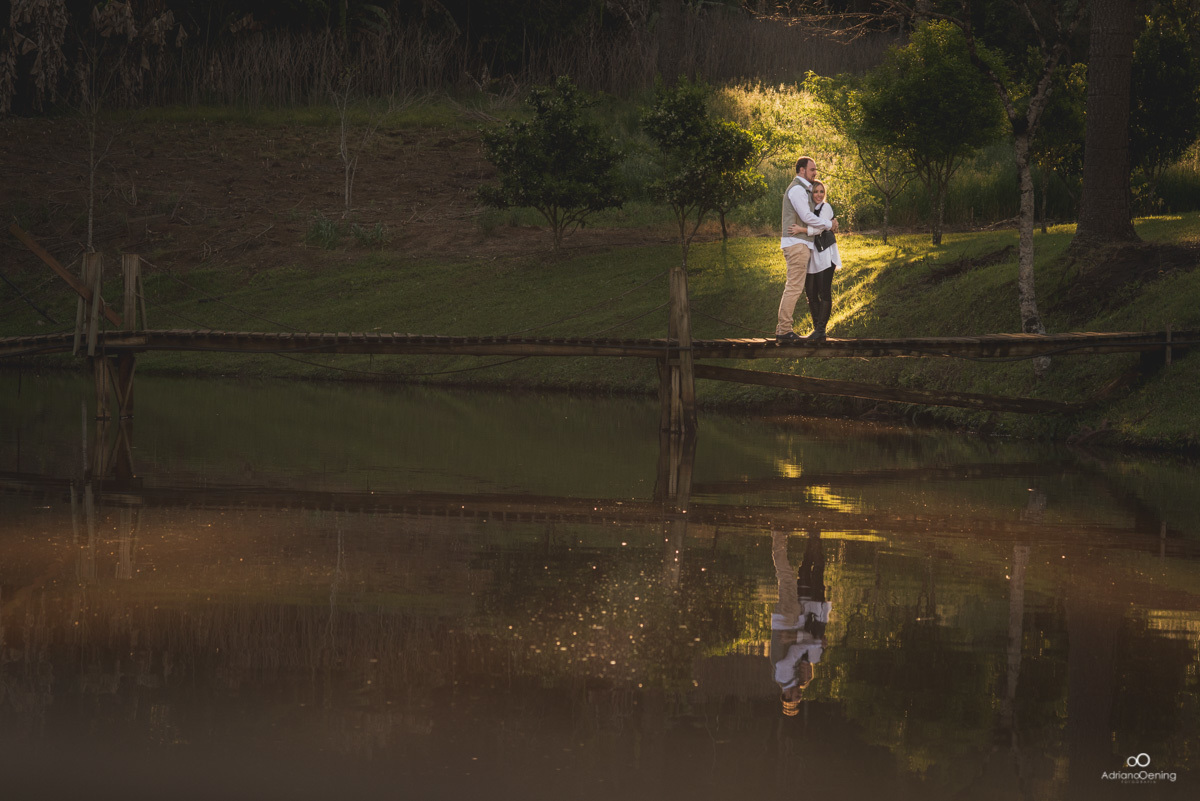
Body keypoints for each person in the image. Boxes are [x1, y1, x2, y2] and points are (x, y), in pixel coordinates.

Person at [776, 157, 837, 343]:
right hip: (797, 244)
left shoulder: (804, 190)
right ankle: (784, 330)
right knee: (794, 288)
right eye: (812, 169)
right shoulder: (797, 189)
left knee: (794, 287)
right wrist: (829, 224)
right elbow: (806, 216)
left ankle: (785, 329)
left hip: (800, 244)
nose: (815, 173)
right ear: (802, 170)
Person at [770, 529, 830, 716]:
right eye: (799, 698)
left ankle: (778, 535)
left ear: (787, 695)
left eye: (796, 697)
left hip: (786, 621)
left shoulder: (783, 677)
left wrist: (815, 643)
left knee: (786, 577)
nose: (799, 695)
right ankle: (780, 537)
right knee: (788, 579)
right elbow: (797, 648)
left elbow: (795, 651)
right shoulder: (792, 679)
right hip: (792, 621)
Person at [787, 179, 841, 342]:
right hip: (812, 256)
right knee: (810, 293)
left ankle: (820, 330)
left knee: (824, 292)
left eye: (821, 192)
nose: (819, 195)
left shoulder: (826, 207)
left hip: (825, 255)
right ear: (811, 194)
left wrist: (801, 229)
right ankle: (818, 330)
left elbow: (821, 227)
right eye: (816, 192)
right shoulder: (808, 210)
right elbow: (825, 225)